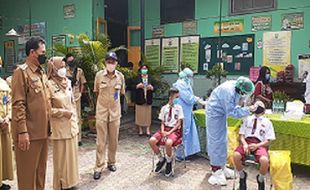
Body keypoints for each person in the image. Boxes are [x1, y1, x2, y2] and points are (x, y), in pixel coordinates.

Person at [11, 37, 50, 190]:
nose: (44, 55)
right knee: (27, 178)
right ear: (32, 52)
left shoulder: (41, 73)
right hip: (28, 135)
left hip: (42, 133)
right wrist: (22, 132)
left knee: (40, 175)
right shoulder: (21, 73)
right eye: (42, 52)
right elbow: (18, 104)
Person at [206, 76, 257, 186]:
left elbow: (236, 106)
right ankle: (215, 170)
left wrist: (246, 109)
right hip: (214, 114)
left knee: (223, 140)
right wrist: (248, 110)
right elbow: (232, 112)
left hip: (221, 113)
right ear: (242, 90)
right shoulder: (227, 92)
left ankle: (222, 166)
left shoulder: (237, 86)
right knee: (216, 141)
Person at [47, 57, 79, 190]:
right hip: (59, 127)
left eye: (64, 66)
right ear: (53, 68)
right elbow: (47, 109)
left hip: (71, 126)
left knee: (71, 158)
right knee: (61, 159)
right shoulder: (48, 84)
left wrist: (75, 119)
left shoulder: (67, 82)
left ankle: (70, 183)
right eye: (61, 66)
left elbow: (72, 102)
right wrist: (62, 112)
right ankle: (60, 185)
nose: (64, 69)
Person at [93, 51, 125, 180]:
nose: (111, 64)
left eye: (113, 62)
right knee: (100, 142)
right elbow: (96, 92)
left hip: (115, 114)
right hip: (101, 113)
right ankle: (98, 167)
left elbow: (121, 93)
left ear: (116, 63)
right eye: (108, 62)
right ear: (105, 63)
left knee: (113, 141)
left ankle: (111, 162)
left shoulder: (120, 77)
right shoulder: (99, 76)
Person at [234, 101, 275, 190]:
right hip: (247, 142)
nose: (258, 107)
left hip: (260, 144)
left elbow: (268, 140)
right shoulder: (247, 119)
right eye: (257, 105)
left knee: (264, 161)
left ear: (264, 111)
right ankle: (242, 176)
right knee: (236, 155)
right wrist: (244, 144)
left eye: (261, 106)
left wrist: (257, 145)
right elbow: (241, 135)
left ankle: (260, 179)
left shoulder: (267, 122)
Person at [149, 87, 184, 177]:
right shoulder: (164, 108)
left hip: (174, 130)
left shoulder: (179, 108)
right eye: (176, 97)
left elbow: (178, 124)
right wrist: (163, 132)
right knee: (152, 140)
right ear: (170, 97)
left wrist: (169, 133)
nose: (177, 99)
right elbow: (162, 123)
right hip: (164, 129)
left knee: (168, 143)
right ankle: (161, 159)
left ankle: (169, 161)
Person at [173, 68, 201, 159]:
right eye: (190, 77)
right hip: (183, 111)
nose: (191, 79)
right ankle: (180, 155)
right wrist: (197, 99)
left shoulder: (185, 83)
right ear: (186, 76)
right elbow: (188, 98)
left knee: (188, 130)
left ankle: (187, 152)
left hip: (187, 111)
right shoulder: (181, 84)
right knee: (183, 131)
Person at [65, 53, 87, 146]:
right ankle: (70, 137)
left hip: (76, 96)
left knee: (77, 117)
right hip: (67, 97)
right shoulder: (64, 71)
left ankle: (78, 139)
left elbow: (83, 83)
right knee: (68, 116)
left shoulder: (79, 71)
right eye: (69, 61)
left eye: (72, 60)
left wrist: (81, 93)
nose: (71, 62)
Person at [0, 77, 13, 190]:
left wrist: (8, 117)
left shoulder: (4, 84)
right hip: (1, 121)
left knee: (3, 153)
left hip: (4, 124)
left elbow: (9, 102)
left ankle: (0, 180)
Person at [135, 65, 155, 137]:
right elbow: (132, 86)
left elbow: (155, 87)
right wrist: (137, 86)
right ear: (140, 70)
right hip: (139, 98)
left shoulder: (150, 78)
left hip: (148, 98)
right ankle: (140, 130)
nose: (144, 70)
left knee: (147, 115)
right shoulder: (137, 77)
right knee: (140, 114)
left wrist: (152, 88)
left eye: (145, 68)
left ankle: (147, 130)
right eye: (143, 68)